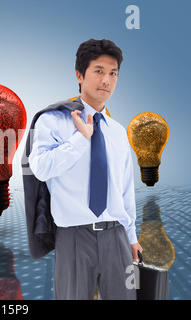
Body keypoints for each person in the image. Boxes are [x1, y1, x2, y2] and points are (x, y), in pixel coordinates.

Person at [27, 39, 142, 300]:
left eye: (113, 73)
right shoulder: (53, 120)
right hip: (74, 237)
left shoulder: (118, 132)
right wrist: (81, 139)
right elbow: (41, 168)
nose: (107, 80)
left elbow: (125, 191)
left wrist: (131, 237)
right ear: (79, 75)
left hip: (117, 238)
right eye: (99, 71)